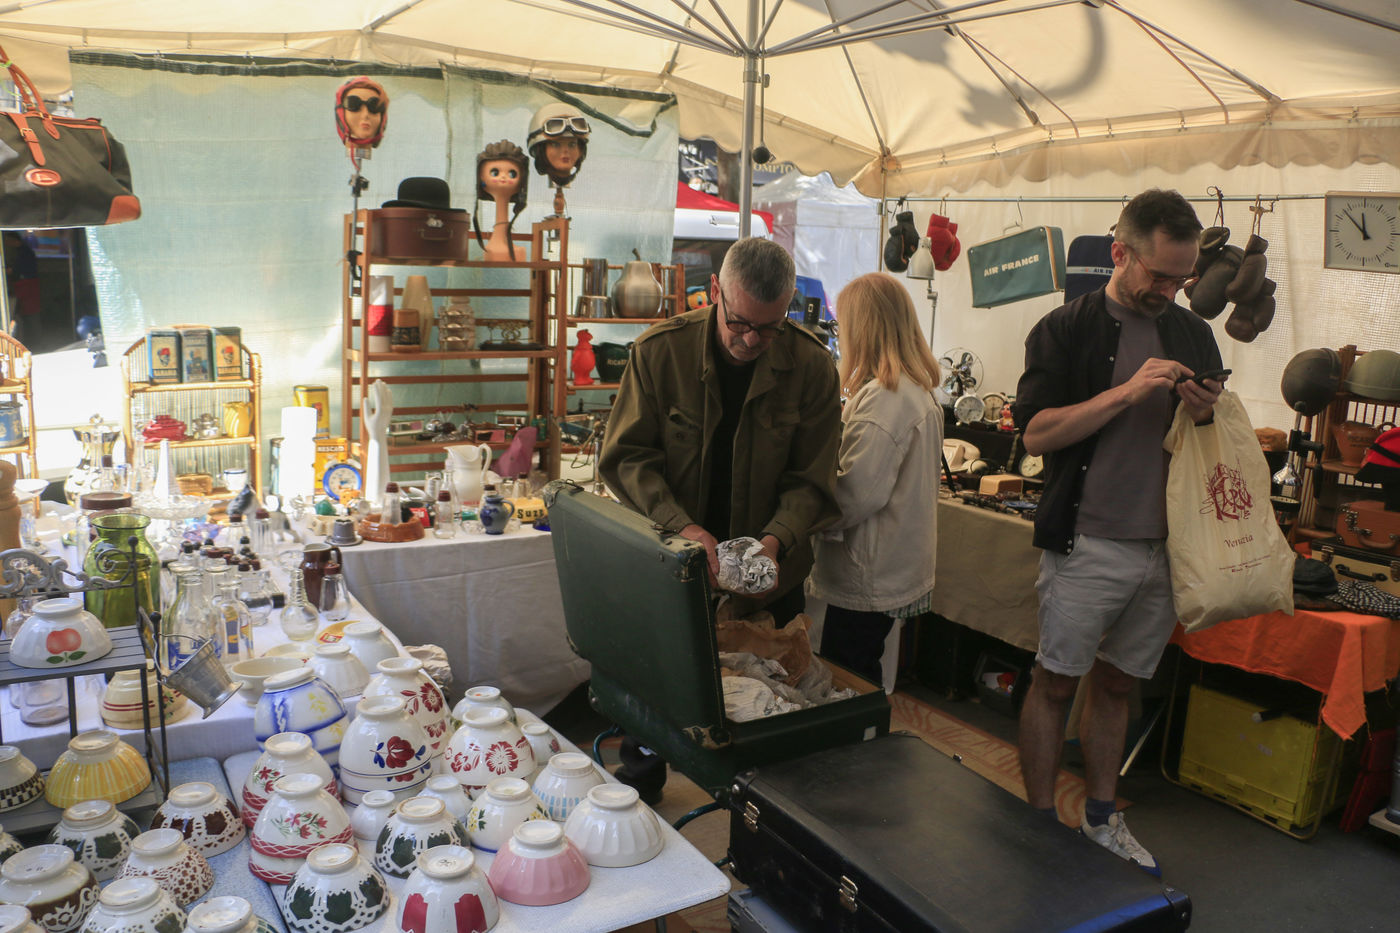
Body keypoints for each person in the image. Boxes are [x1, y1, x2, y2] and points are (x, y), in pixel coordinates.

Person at [1012, 188, 1224, 876]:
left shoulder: (1192, 333)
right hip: (1089, 540)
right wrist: (1125, 393)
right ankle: (1038, 825)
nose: (1170, 290)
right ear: (1119, 253)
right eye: (1158, 275)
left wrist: (1203, 411)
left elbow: (1207, 439)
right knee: (1054, 683)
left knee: (1117, 687)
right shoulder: (1064, 328)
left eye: (1182, 278)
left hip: (1165, 546)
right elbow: (1036, 434)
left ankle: (1102, 819)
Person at [599, 236, 841, 800]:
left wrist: (776, 541)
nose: (752, 340)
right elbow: (627, 458)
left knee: (773, 697)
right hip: (671, 561)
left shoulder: (811, 367)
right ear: (714, 292)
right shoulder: (660, 353)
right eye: (740, 323)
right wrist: (681, 527)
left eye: (769, 328)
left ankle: (767, 811)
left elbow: (812, 479)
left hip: (773, 571)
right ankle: (640, 787)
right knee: (656, 688)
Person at [808, 272, 943, 688]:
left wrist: (798, 517)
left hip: (869, 570)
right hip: (888, 565)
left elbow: (854, 496)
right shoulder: (913, 390)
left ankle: (861, 732)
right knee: (861, 665)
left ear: (863, 329)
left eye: (843, 326)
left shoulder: (887, 398)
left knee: (848, 676)